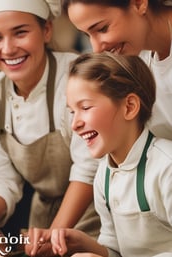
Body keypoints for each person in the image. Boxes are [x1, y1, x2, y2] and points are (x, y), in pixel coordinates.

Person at [0, 0, 100, 254]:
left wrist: (55, 234)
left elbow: (88, 168)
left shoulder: (76, 76)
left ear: (46, 30)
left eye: (20, 32)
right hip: (42, 222)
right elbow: (2, 172)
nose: (8, 48)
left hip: (97, 220)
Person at [47, 52, 172, 257]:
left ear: (129, 107)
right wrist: (84, 244)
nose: (75, 124)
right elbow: (116, 250)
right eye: (72, 111)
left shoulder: (166, 168)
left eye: (85, 107)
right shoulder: (104, 174)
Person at [62, 0, 172, 140]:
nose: (96, 49)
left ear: (139, 4)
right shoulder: (139, 60)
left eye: (102, 28)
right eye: (87, 35)